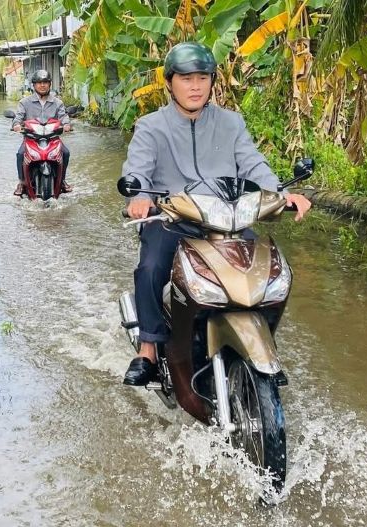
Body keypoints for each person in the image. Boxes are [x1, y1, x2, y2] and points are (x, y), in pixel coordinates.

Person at [121, 42, 312, 386]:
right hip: (173, 220)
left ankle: (260, 343)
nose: (195, 86)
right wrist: (140, 197)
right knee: (150, 268)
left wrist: (281, 195)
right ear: (170, 82)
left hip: (227, 223)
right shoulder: (151, 126)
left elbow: (253, 165)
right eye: (186, 78)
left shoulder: (230, 123)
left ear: (212, 81)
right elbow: (138, 170)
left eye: (202, 78)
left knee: (267, 269)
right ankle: (148, 348)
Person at [12, 69, 73, 196]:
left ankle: (62, 181)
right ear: (34, 85)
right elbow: (18, 118)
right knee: (20, 154)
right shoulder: (25, 102)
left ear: (50, 84)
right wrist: (16, 125)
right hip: (31, 139)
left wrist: (67, 124)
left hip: (53, 139)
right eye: (39, 83)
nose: (42, 85)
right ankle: (22, 183)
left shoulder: (57, 102)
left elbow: (63, 116)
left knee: (66, 153)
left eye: (45, 82)